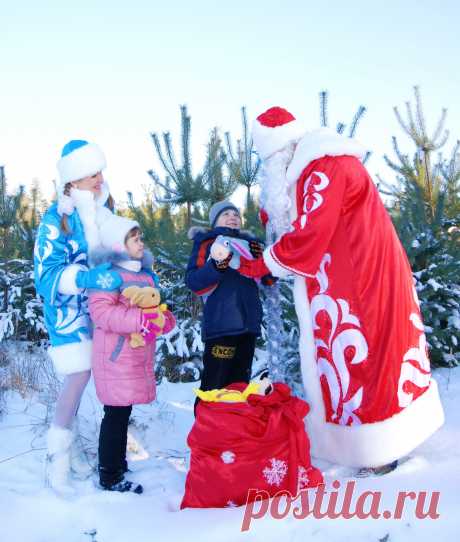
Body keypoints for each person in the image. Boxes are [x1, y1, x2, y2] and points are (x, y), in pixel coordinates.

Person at [236, 106, 444, 472]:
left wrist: (260, 264)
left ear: (281, 151)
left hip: (359, 281)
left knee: (365, 358)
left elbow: (309, 236)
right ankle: (380, 443)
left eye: (268, 160)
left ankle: (377, 450)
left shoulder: (323, 168)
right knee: (377, 354)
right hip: (358, 275)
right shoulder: (319, 166)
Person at [34, 140, 122, 494]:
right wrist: (83, 278)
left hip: (103, 309)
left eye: (100, 171)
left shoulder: (105, 210)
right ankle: (56, 458)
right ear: (72, 180)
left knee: (98, 376)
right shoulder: (56, 219)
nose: (99, 178)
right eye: (91, 174)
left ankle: (78, 449)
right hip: (68, 311)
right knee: (78, 374)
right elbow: (44, 276)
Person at [89, 214, 176, 493]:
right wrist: (140, 320)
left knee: (122, 411)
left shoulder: (144, 274)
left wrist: (164, 321)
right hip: (115, 355)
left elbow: (156, 310)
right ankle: (110, 475)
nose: (141, 242)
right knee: (115, 412)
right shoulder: (108, 276)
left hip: (135, 355)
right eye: (134, 238)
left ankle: (118, 463)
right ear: (118, 244)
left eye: (141, 237)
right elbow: (101, 312)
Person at [185, 201, 274, 413]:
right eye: (225, 213)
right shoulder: (207, 242)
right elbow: (193, 281)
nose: (233, 216)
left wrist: (262, 258)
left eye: (236, 213)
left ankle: (232, 438)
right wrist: (216, 265)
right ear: (215, 221)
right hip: (221, 328)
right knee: (214, 386)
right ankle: (204, 440)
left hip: (248, 328)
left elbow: (269, 281)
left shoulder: (252, 244)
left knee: (240, 387)